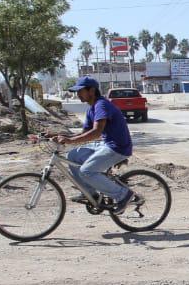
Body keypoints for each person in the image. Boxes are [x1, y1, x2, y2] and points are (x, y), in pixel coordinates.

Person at [55, 77, 138, 208]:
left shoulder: (101, 105)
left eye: (80, 91)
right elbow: (85, 132)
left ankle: (123, 195)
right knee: (72, 156)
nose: (78, 94)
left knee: (86, 171)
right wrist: (60, 135)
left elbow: (96, 132)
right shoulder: (91, 108)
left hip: (117, 148)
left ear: (92, 91)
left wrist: (71, 140)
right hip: (106, 144)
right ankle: (90, 193)